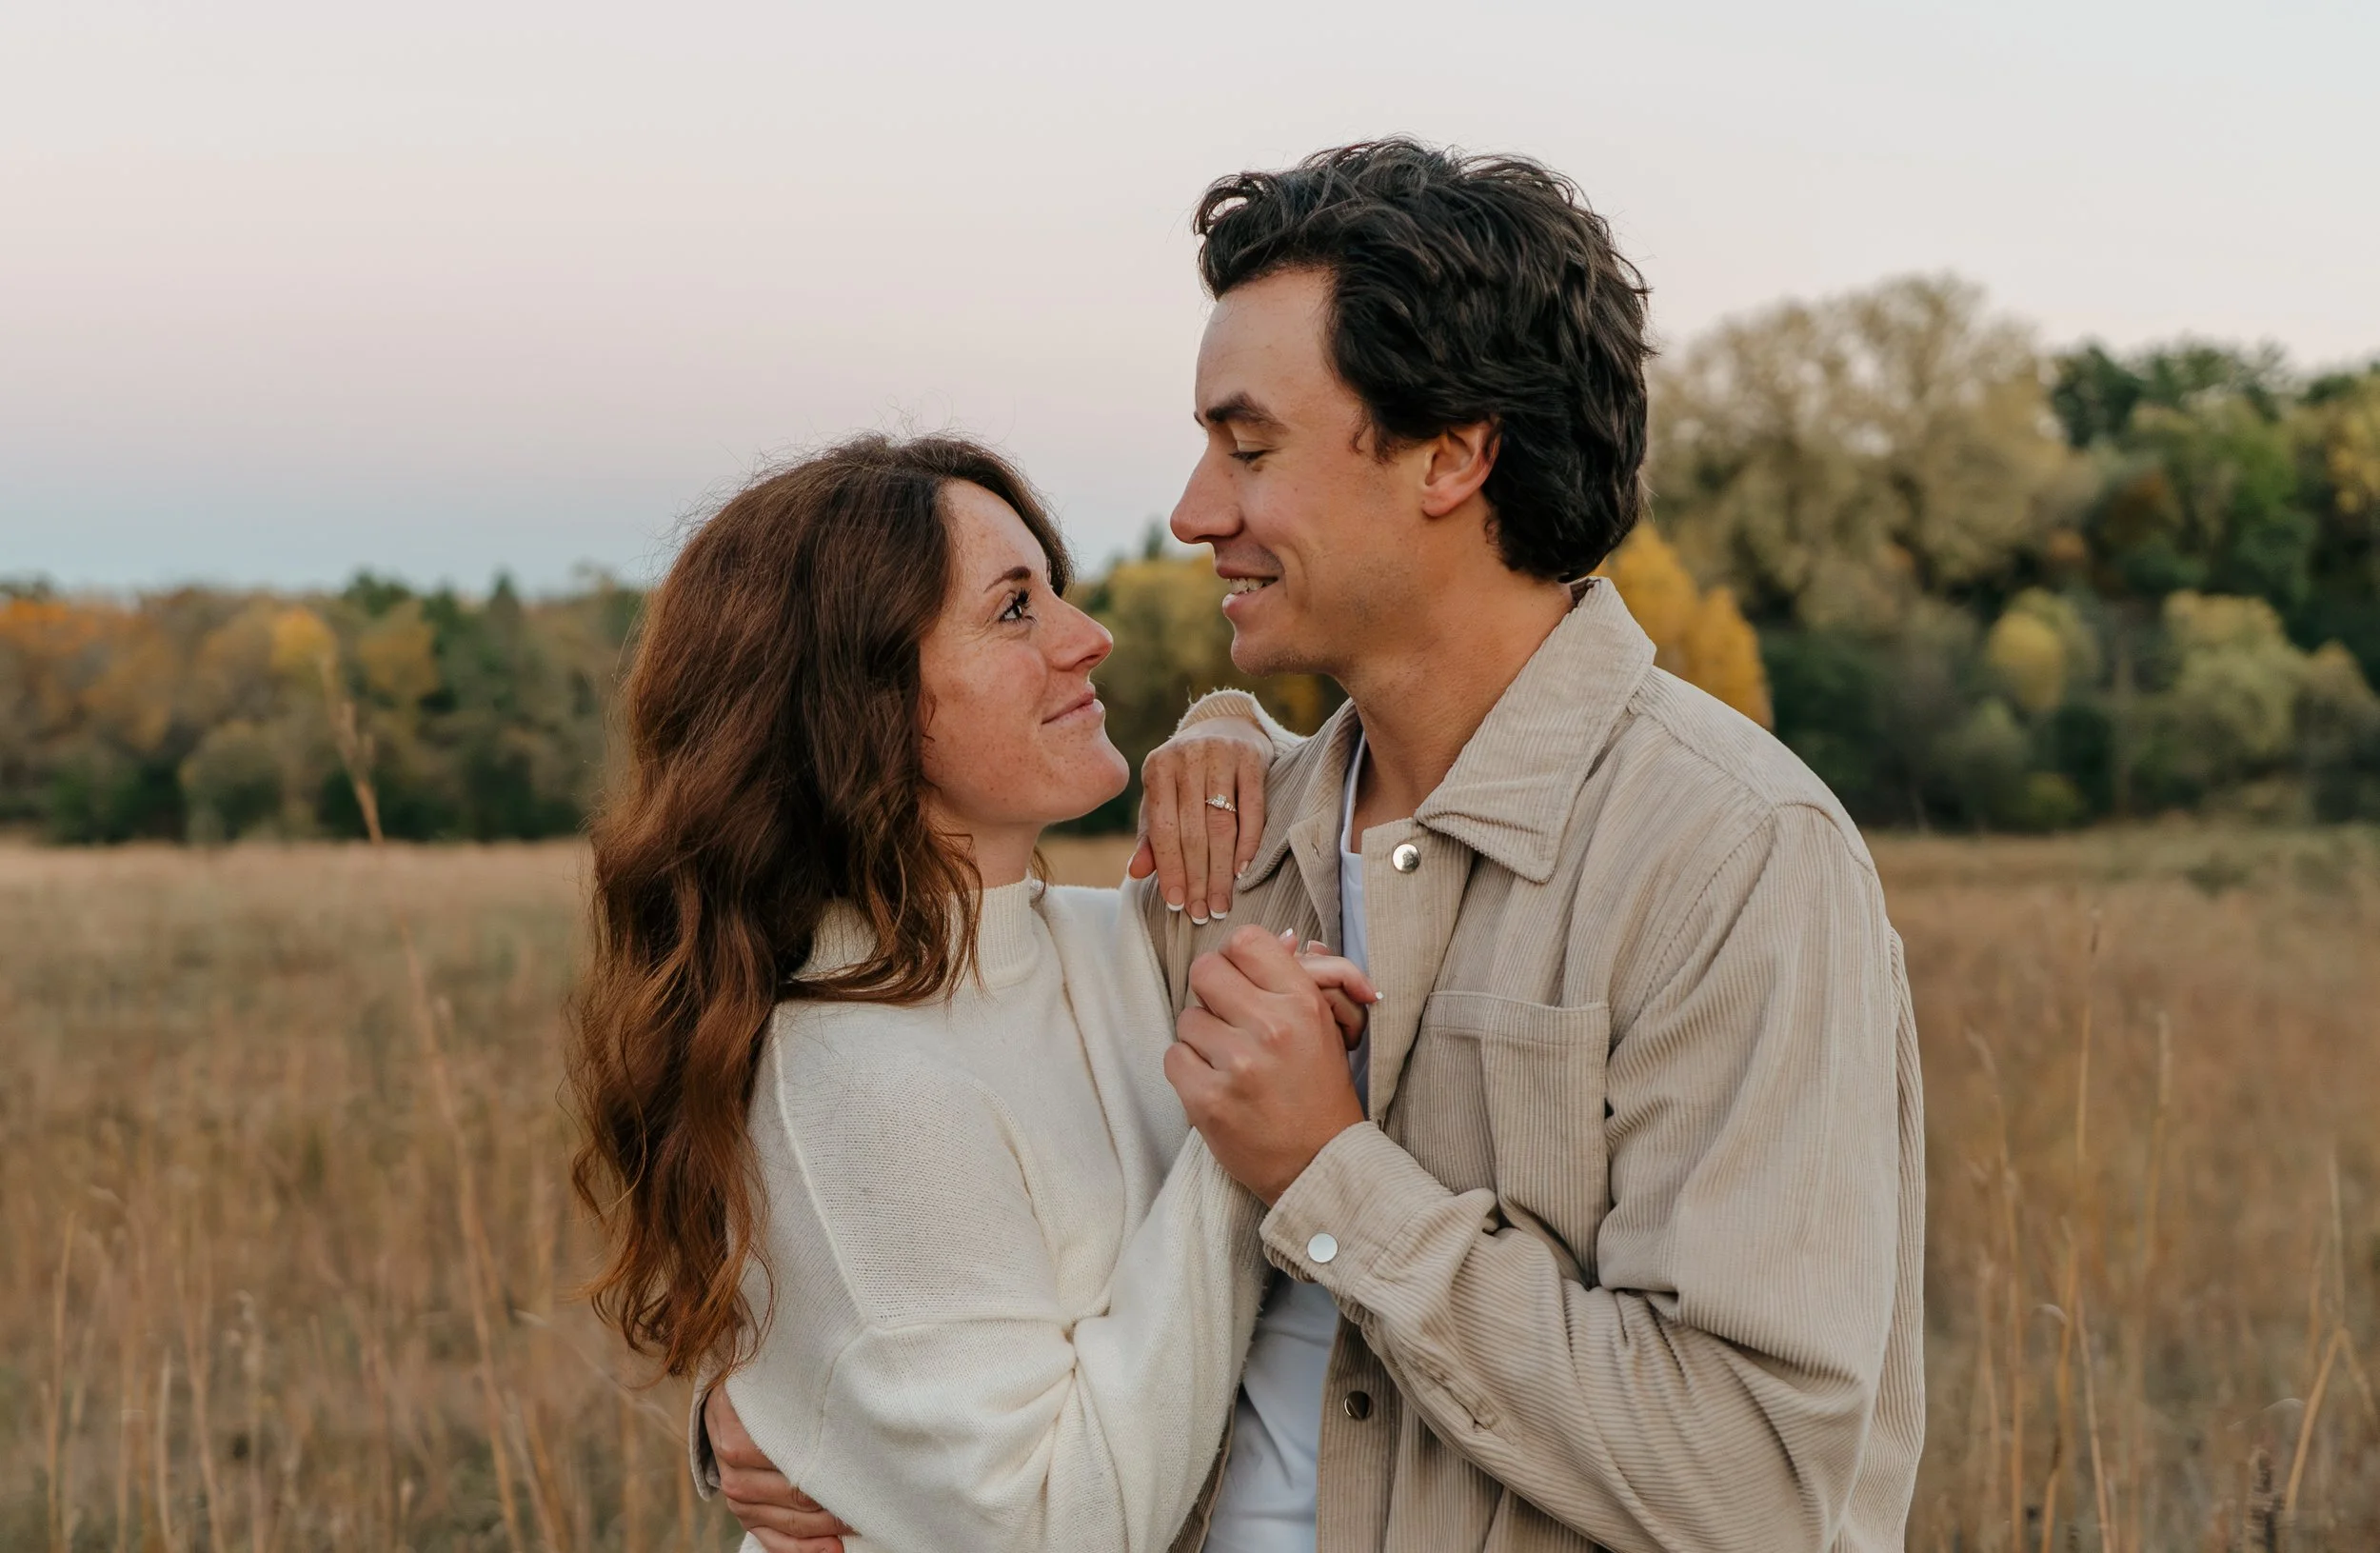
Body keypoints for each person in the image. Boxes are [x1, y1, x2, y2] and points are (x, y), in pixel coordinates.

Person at [720, 139, 1925, 1553]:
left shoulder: (1730, 858)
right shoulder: (1224, 851)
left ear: (1454, 453)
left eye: (1249, 446)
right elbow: (986, 1245)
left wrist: (1332, 1172)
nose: (1192, 510)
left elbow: (1766, 1487)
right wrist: (807, 1411)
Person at [565, 433, 1375, 1552]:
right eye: (1012, 611)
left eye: (1057, 593)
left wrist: (1231, 724)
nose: (1088, 639)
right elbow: (1053, 1527)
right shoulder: (850, 1071)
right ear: (859, 695)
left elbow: (1371, 862)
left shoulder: (1110, 940)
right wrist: (1245, 1146)